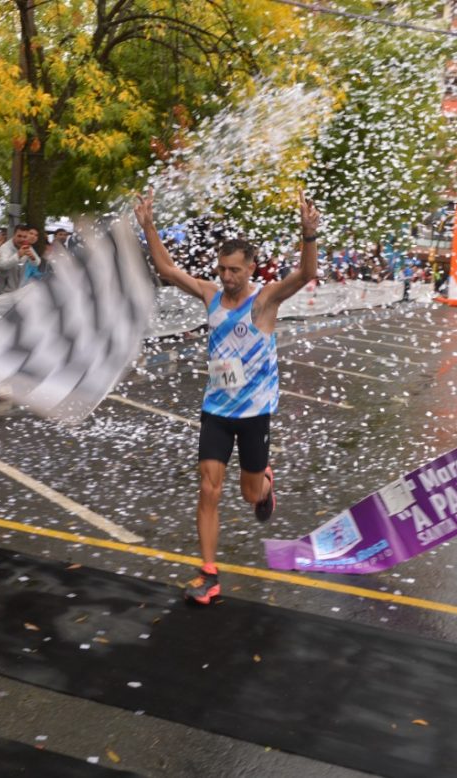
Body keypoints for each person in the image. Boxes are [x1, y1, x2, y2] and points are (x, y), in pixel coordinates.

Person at [134, 189, 319, 605]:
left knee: (249, 495)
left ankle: (264, 483)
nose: (226, 277)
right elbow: (166, 269)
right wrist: (148, 225)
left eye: (234, 270)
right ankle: (209, 574)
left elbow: (306, 273)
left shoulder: (264, 300)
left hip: (254, 414)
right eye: (221, 269)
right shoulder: (210, 295)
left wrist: (308, 235)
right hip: (216, 410)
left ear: (251, 268)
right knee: (208, 489)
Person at [0, 224, 41, 294]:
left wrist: (33, 258)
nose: (22, 239)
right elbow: (2, 265)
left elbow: (37, 263)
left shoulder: (27, 246)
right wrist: (18, 255)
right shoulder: (5, 248)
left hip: (18, 291)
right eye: (19, 236)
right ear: (14, 235)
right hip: (2, 292)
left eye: (25, 237)